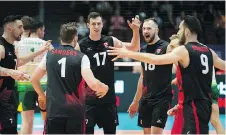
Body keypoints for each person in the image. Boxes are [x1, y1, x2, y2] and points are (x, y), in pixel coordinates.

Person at [108, 15, 226, 134]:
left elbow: (156, 60)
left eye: (179, 29)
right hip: (201, 102)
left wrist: (127, 54)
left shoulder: (182, 50)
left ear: (186, 31)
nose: (177, 32)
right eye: (144, 29)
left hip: (191, 104)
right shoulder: (208, 50)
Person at [31, 22, 108, 134]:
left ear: (61, 37)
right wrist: (104, 87)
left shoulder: (49, 55)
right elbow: (93, 84)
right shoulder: (81, 57)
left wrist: (42, 96)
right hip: (75, 112)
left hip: (54, 111)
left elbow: (34, 79)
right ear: (75, 37)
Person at [75, 12, 140, 134]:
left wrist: (135, 31)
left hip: (108, 99)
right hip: (88, 100)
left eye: (98, 23)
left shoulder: (110, 41)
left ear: (102, 24)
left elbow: (134, 48)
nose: (96, 26)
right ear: (88, 25)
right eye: (93, 24)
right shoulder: (81, 45)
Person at [0, 15, 50, 134]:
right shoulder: (1, 47)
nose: (23, 30)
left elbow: (18, 61)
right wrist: (11, 72)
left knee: (15, 128)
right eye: (20, 27)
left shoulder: (11, 47)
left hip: (11, 95)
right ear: (10, 29)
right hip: (3, 99)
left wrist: (39, 51)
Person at [127, 18, 172, 134]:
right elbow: (142, 77)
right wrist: (135, 101)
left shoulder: (166, 47)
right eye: (144, 28)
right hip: (146, 99)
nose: (146, 31)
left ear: (156, 30)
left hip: (162, 98)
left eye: (149, 28)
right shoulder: (143, 50)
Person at [17, 20, 49, 134]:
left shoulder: (19, 43)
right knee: (47, 120)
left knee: (26, 121)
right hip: (42, 86)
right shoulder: (46, 45)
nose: (44, 33)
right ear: (39, 29)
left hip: (24, 85)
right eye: (43, 30)